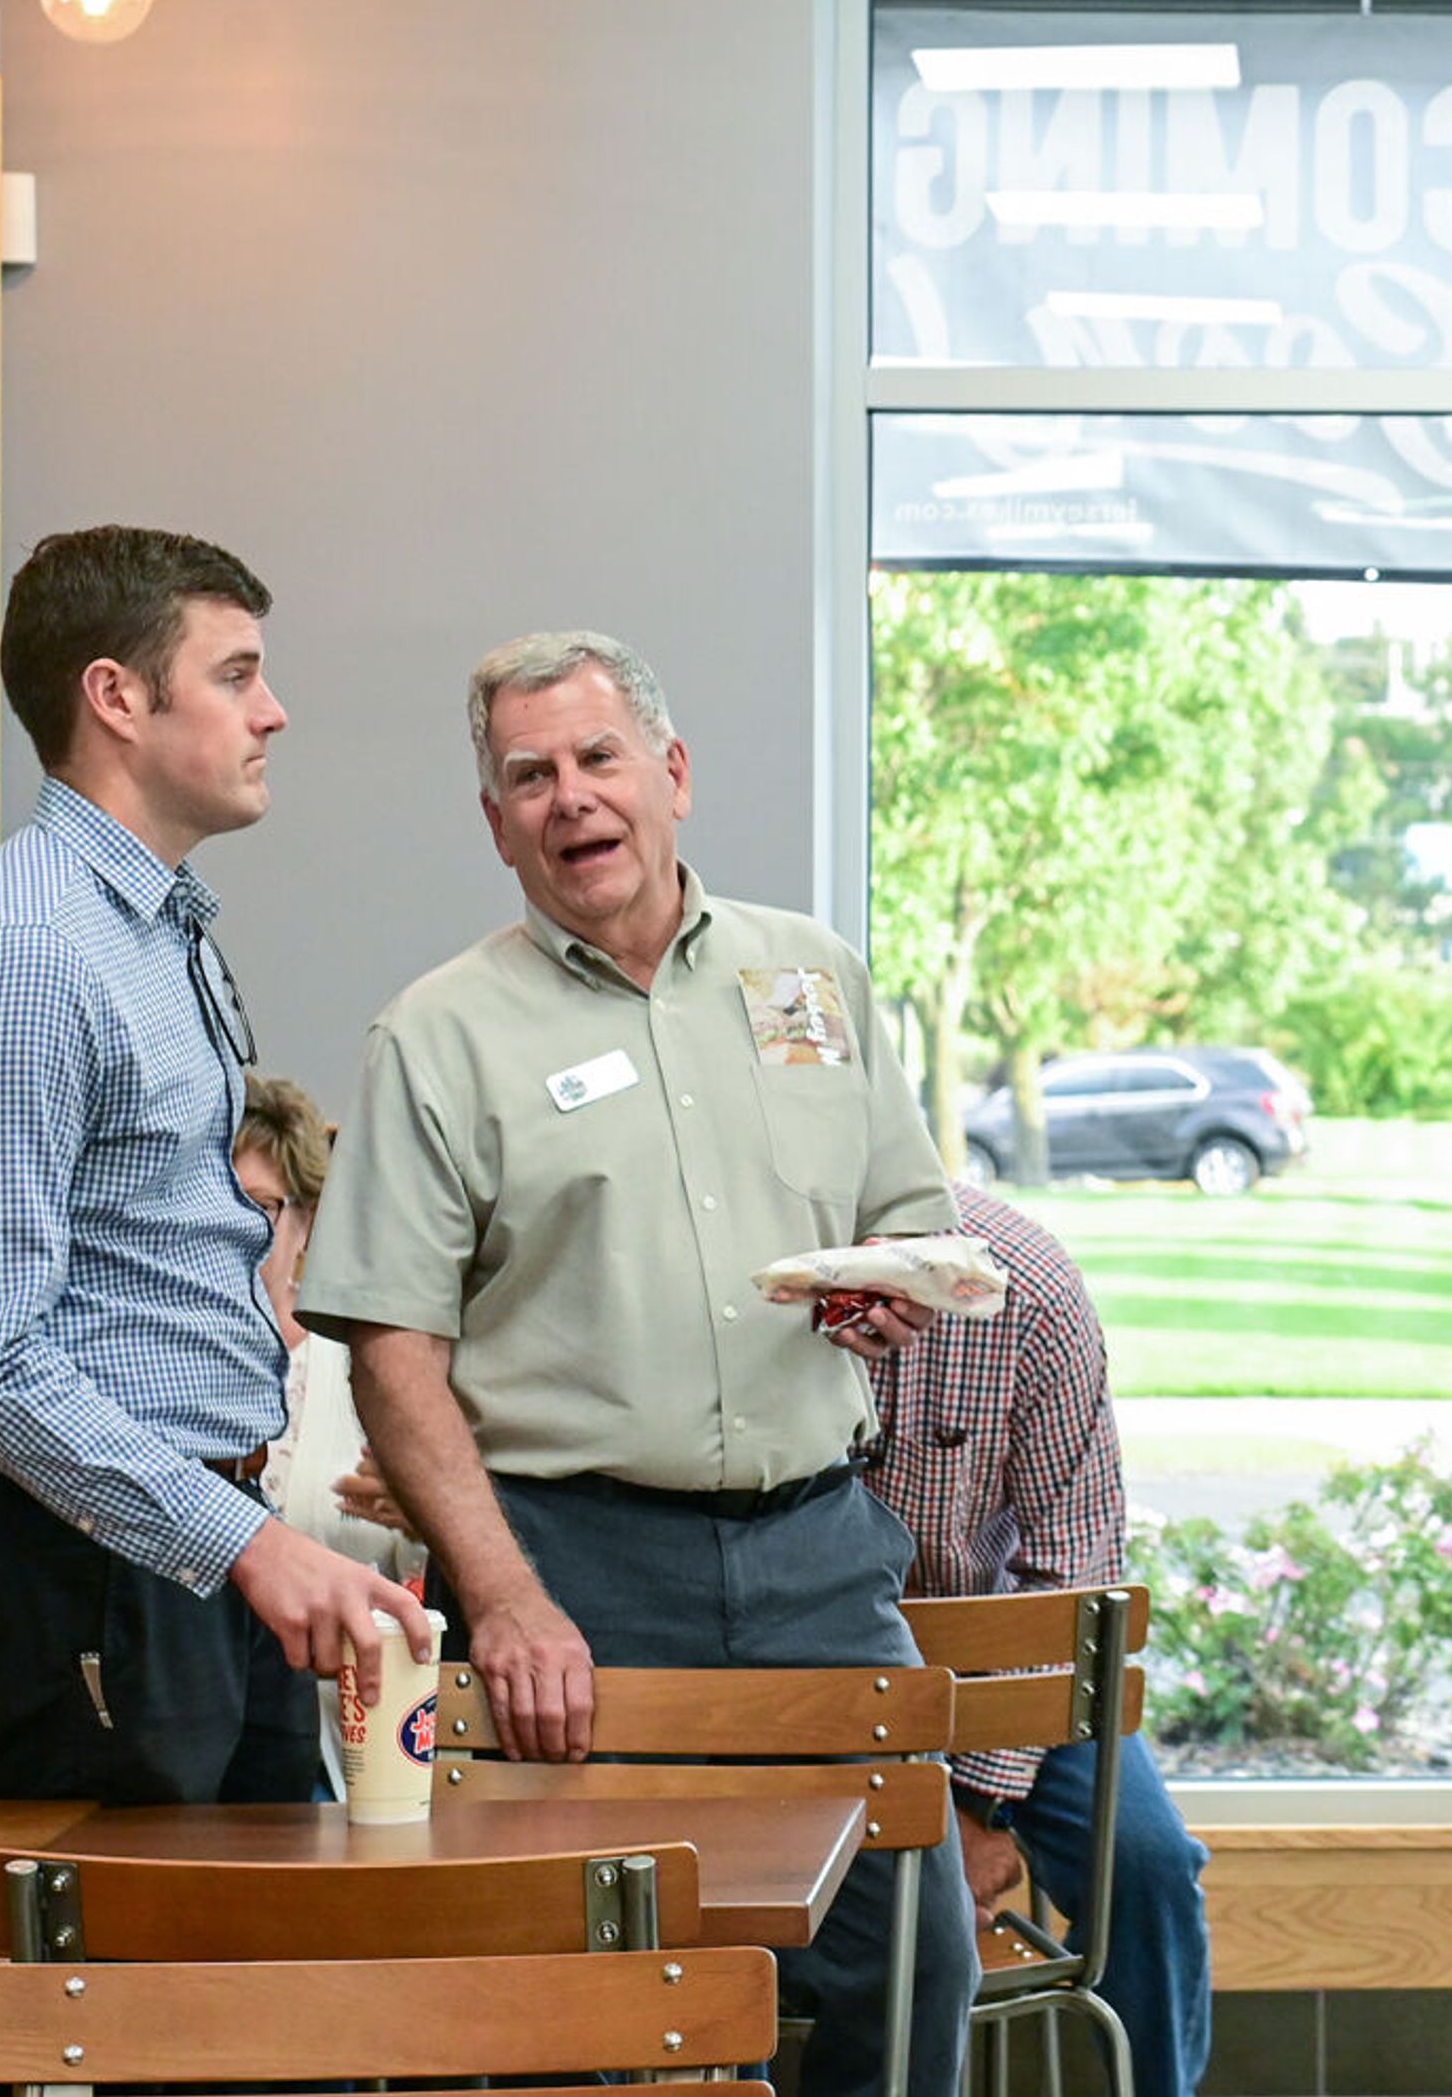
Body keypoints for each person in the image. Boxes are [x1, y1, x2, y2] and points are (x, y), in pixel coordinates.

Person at [301, 629, 975, 2097]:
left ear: (670, 774)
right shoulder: (439, 1035)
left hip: (816, 1559)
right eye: (528, 775)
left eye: (598, 758)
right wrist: (507, 1597)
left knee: (914, 1962)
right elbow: (389, 1347)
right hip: (574, 1575)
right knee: (573, 2000)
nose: (569, 797)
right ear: (495, 823)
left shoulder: (816, 973)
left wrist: (893, 1289)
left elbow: (907, 1215)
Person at [0, 527, 428, 1806]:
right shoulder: (29, 960)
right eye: (235, 674)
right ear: (116, 697)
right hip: (82, 1566)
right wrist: (245, 1542)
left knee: (262, 1975)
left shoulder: (153, 927)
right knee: (132, 1995)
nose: (272, 712)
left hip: (199, 1544)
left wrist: (248, 1536)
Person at [863, 1183, 1213, 2095]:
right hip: (816, 1675)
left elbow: (1076, 1571)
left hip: (1007, 1663)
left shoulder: (1030, 1287)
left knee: (1150, 1865)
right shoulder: (743, 1267)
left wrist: (982, 1804)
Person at [232, 1074, 419, 1582]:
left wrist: (425, 1516)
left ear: (309, 1222)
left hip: (352, 1655)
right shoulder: (152, 1360)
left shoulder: (368, 1363)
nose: (231, 1226)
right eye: (217, 1203)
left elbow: (420, 1560)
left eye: (259, 1205)